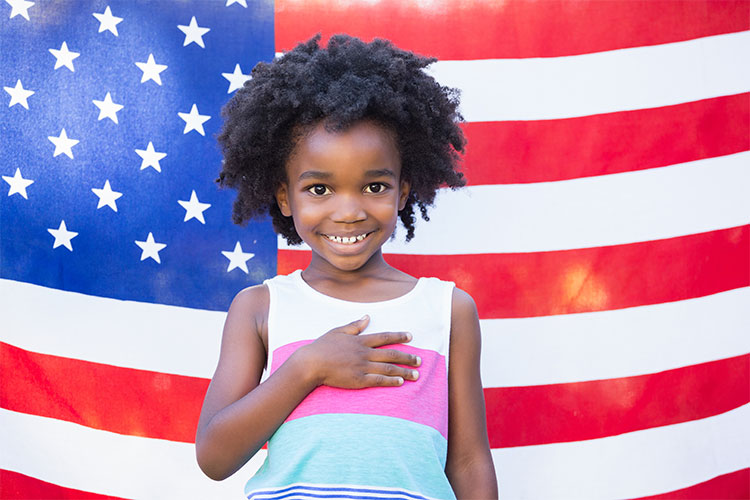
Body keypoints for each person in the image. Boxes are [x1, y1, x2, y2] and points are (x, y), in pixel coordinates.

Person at [195, 34, 497, 499]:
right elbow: (214, 457)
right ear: (284, 197)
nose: (349, 211)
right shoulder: (259, 307)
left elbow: (469, 459)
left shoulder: (447, 309)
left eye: (374, 187)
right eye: (319, 190)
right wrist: (308, 367)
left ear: (402, 191)